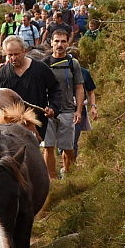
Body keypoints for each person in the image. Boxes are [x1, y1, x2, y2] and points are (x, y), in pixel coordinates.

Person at [0, 35, 60, 139]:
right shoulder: (2, 75)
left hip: (37, 123)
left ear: (24, 51)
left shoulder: (40, 69)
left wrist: (53, 108)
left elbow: (55, 89)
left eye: (16, 54)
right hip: (10, 127)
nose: (13, 58)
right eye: (10, 55)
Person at [41, 29, 84, 180]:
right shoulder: (43, 64)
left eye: (63, 41)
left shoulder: (73, 64)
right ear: (51, 43)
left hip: (67, 111)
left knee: (68, 148)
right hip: (48, 111)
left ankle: (69, 176)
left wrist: (78, 111)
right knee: (48, 147)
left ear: (68, 43)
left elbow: (79, 87)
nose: (60, 45)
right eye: (56, 41)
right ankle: (52, 179)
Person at [73, 65, 98, 160]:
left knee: (73, 140)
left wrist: (93, 107)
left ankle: (70, 167)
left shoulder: (84, 73)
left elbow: (91, 91)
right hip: (63, 109)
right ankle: (66, 164)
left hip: (79, 109)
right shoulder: (60, 70)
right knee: (63, 142)